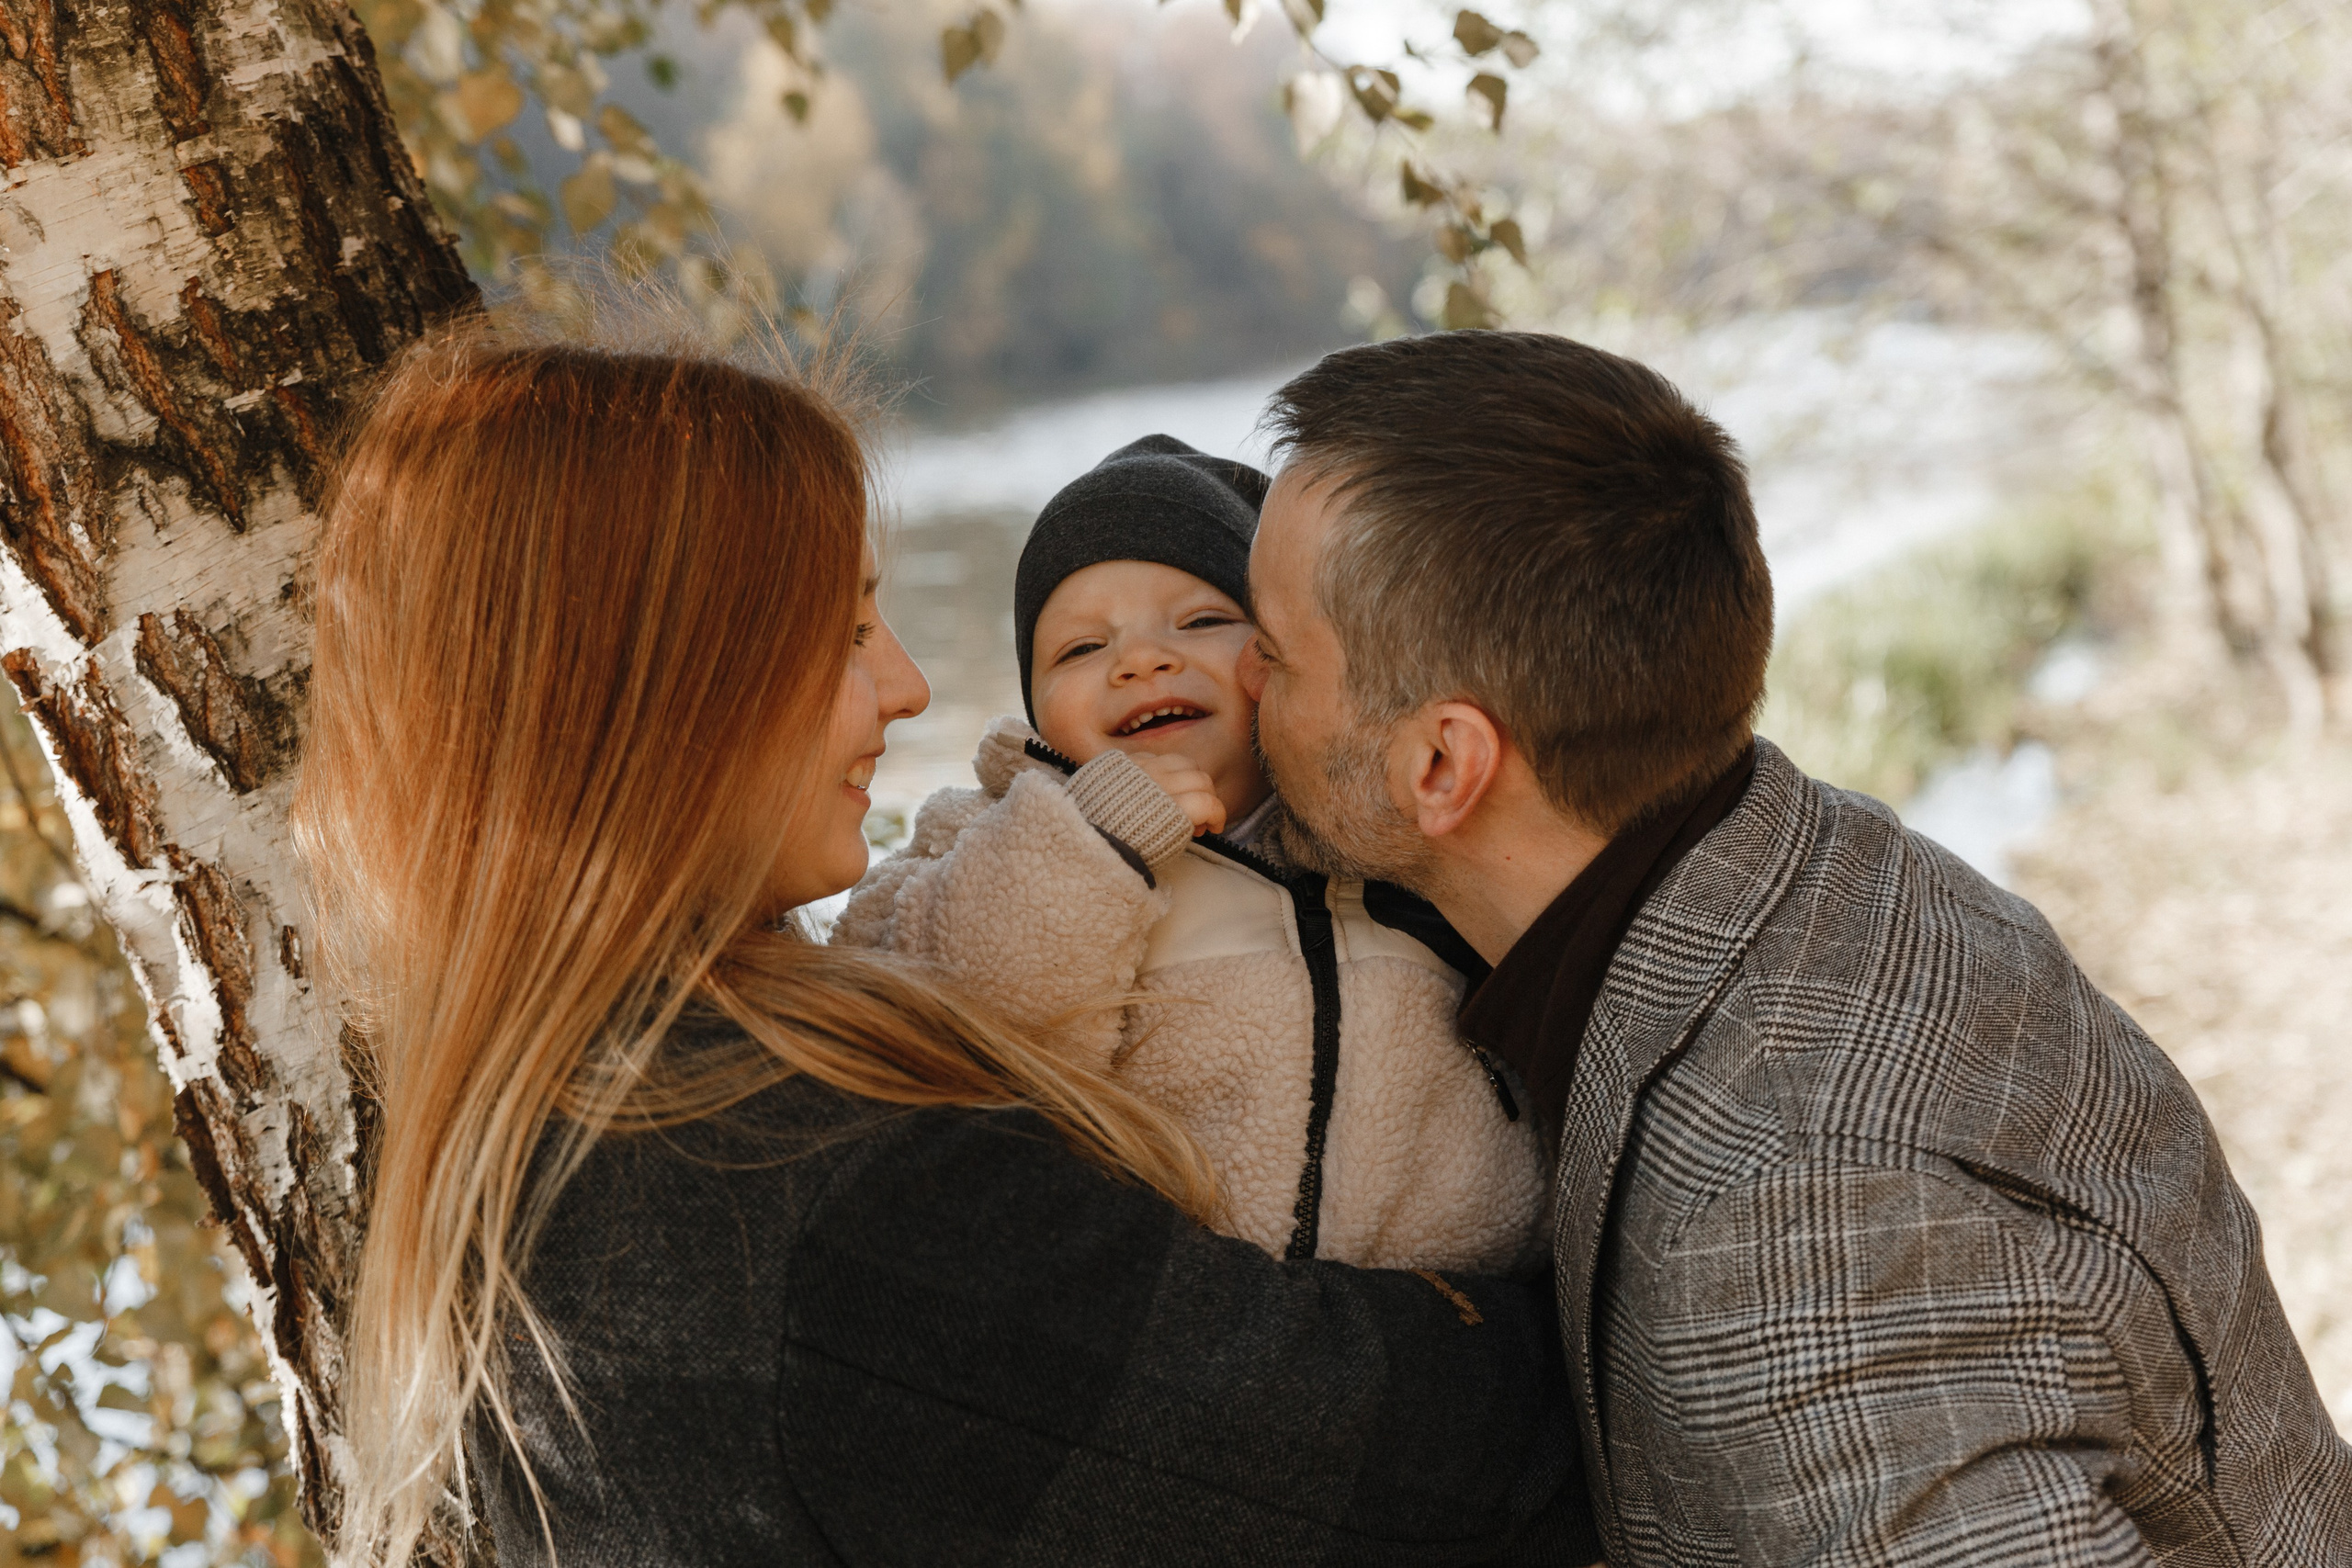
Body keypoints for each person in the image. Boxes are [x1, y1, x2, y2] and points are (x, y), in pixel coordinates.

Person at [291, 320, 1591, 1568]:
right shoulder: (797, 1179)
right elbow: (1396, 1460)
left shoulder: (569, 1121)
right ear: (663, 688)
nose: (908, 684)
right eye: (849, 628)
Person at [1240, 328, 2352, 1567]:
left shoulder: (1789, 1220)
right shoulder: (1805, 856)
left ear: (1443, 763)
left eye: (1274, 655)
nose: (1233, 678)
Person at [837, 434, 1547, 1271]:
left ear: (1281, 662)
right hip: (1177, 1337)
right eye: (1080, 648)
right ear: (1035, 708)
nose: (1142, 659)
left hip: (1472, 1314)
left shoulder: (1389, 819)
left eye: (1203, 621)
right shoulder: (994, 834)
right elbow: (935, 1020)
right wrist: (1094, 842)